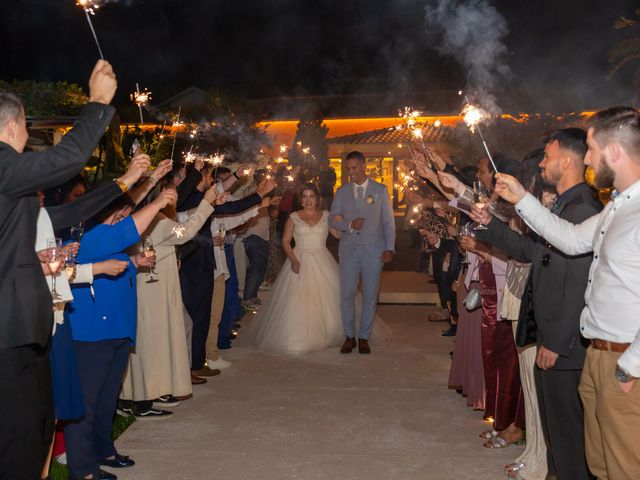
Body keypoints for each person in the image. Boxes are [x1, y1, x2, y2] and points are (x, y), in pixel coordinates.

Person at [494, 107, 640, 480]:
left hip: (624, 360)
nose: (587, 158)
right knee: (598, 463)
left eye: (591, 149)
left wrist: (631, 365)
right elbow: (571, 240)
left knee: (625, 466)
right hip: (598, 354)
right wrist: (521, 198)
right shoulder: (616, 208)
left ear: (615, 152)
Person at [0, 59, 117, 479]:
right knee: (21, 436)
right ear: (13, 126)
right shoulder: (3, 163)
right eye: (27, 127)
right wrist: (98, 102)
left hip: (18, 326)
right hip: (8, 332)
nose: (29, 136)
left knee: (32, 427)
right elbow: (66, 159)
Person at [472, 130, 601, 479]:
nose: (542, 162)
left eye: (548, 155)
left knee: (570, 440)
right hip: (551, 337)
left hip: (566, 346)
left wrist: (556, 343)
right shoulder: (562, 205)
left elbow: (578, 283)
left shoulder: (583, 208)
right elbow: (531, 251)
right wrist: (488, 226)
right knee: (557, 437)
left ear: (568, 161)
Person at [64, 187, 177, 480]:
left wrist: (132, 262)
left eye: (126, 214)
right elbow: (120, 236)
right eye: (120, 214)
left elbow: (115, 250)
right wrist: (160, 201)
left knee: (107, 398)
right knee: (87, 404)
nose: (123, 219)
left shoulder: (105, 235)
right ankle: (81, 469)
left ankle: (103, 450)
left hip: (117, 328)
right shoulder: (85, 234)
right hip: (91, 333)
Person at [120, 178, 225, 418]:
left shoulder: (146, 217)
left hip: (152, 285)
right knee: (151, 344)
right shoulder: (156, 219)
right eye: (173, 191)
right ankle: (142, 400)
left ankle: (143, 393)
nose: (176, 195)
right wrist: (206, 203)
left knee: (154, 342)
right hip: (152, 288)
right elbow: (185, 232)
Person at [246, 183, 390, 354]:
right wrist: (293, 259)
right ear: (300, 199)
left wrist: (351, 225)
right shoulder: (293, 217)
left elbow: (338, 234)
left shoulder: (326, 215)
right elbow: (285, 241)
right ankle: (300, 335)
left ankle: (334, 333)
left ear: (317, 198)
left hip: (323, 259)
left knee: (334, 298)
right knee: (298, 301)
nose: (308, 200)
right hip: (299, 259)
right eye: (304, 196)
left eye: (311, 196)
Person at [329, 151, 396, 354]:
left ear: (364, 165)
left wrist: (389, 247)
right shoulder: (342, 192)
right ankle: (349, 336)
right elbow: (332, 218)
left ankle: (364, 337)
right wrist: (349, 224)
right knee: (347, 294)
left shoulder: (380, 190)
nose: (351, 173)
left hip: (373, 251)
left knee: (370, 295)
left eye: (354, 168)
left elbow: (388, 222)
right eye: (348, 169)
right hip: (348, 251)